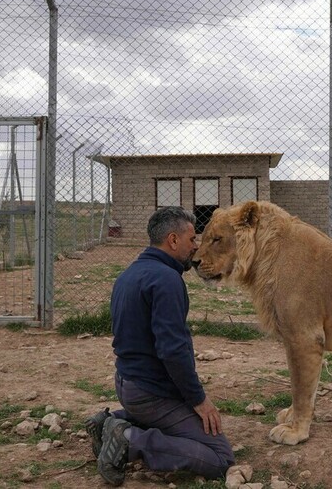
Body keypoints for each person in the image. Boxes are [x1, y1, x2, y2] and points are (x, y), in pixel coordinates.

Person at [85, 206, 234, 486]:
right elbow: (172, 351)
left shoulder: (130, 273)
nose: (196, 247)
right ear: (173, 240)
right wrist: (198, 400)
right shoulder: (166, 280)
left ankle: (110, 422)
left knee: (178, 424)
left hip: (127, 384)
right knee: (220, 457)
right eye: (192, 239)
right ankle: (130, 441)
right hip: (150, 393)